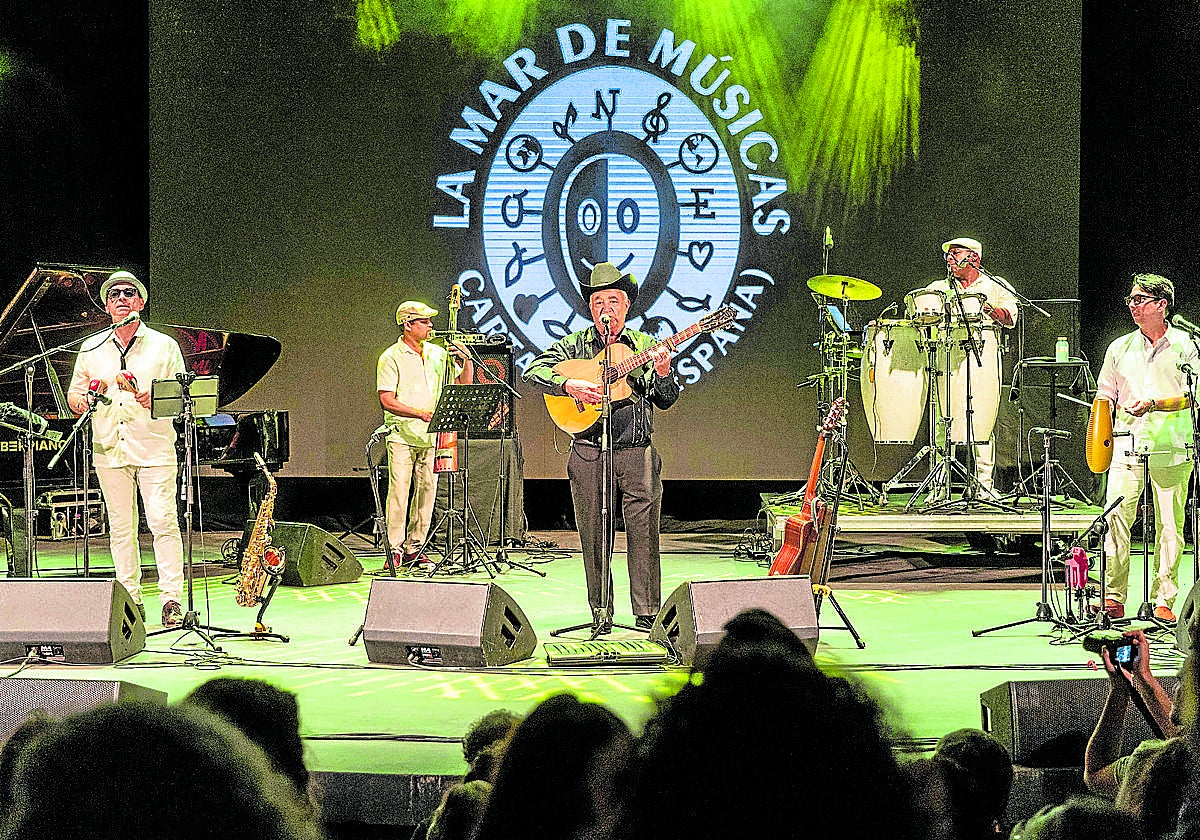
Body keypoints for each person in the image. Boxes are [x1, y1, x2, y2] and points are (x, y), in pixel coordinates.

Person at [522, 263, 680, 634]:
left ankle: (646, 614)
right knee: (593, 534)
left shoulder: (645, 345)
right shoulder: (575, 344)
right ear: (590, 309)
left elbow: (667, 398)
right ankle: (601, 611)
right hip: (589, 450)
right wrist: (568, 385)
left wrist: (662, 373)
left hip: (636, 451)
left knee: (644, 534)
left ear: (626, 306)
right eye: (597, 301)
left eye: (613, 300)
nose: (605, 307)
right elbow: (534, 370)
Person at [67, 270, 186, 628]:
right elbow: (74, 395)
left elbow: (182, 399)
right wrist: (83, 400)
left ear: (141, 302)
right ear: (106, 305)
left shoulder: (164, 346)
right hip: (108, 448)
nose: (121, 298)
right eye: (114, 294)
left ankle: (171, 600)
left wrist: (154, 397)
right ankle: (131, 602)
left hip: (154, 447)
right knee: (121, 528)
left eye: (129, 293)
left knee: (163, 522)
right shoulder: (91, 348)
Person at [1094, 273, 1197, 621]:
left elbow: (1193, 396)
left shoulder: (1187, 345)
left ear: (1161, 305)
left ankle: (1163, 599)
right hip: (1126, 445)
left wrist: (1154, 404)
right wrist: (1097, 440)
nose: (1133, 306)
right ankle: (1113, 596)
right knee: (1117, 520)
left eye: (1140, 300)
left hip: (1172, 445)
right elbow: (1104, 395)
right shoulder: (1119, 347)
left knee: (1170, 524)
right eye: (1131, 300)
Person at [376, 300, 471, 568]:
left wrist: (466, 362)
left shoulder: (437, 354)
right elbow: (387, 400)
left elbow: (462, 384)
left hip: (431, 436)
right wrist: (419, 413)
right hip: (402, 435)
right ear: (408, 324)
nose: (431, 326)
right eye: (424, 321)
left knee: (427, 491)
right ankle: (393, 549)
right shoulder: (391, 357)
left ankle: (415, 547)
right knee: (399, 492)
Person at [921, 237, 1018, 495]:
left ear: (974, 258)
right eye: (948, 255)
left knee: (983, 419)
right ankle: (940, 487)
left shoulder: (995, 285)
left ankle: (985, 485)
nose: (949, 259)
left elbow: (1010, 318)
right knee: (945, 419)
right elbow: (922, 316)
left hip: (983, 355)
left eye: (956, 253)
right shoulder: (938, 288)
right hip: (948, 355)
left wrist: (991, 310)